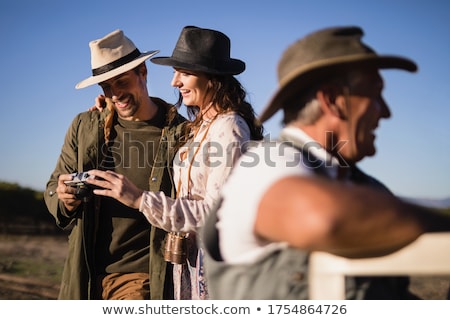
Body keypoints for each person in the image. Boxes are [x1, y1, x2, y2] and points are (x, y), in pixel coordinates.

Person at [201, 25, 450, 299]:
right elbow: (323, 219)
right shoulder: (267, 164)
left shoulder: (368, 188)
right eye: (375, 94)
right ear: (333, 100)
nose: (386, 112)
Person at [86, 26, 264, 300]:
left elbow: (217, 215)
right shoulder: (201, 126)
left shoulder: (228, 128)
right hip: (189, 265)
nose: (174, 82)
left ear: (212, 78)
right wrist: (109, 104)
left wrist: (139, 200)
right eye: (174, 72)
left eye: (185, 73)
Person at [44, 29, 187, 300]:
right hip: (83, 274)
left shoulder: (179, 133)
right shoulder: (85, 126)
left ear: (143, 72)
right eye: (106, 87)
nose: (115, 94)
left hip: (141, 278)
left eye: (121, 82)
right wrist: (64, 200)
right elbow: (53, 186)